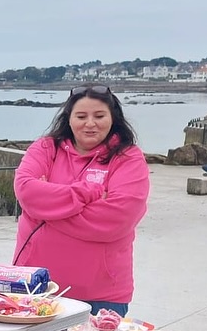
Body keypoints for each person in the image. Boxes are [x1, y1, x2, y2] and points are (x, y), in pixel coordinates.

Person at [13, 83, 150, 316]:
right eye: (81, 116)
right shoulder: (46, 148)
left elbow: (117, 219)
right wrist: (87, 193)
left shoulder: (128, 158)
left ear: (113, 118)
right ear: (69, 119)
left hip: (101, 297)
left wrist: (45, 211)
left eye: (99, 116)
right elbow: (26, 191)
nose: (90, 123)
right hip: (33, 286)